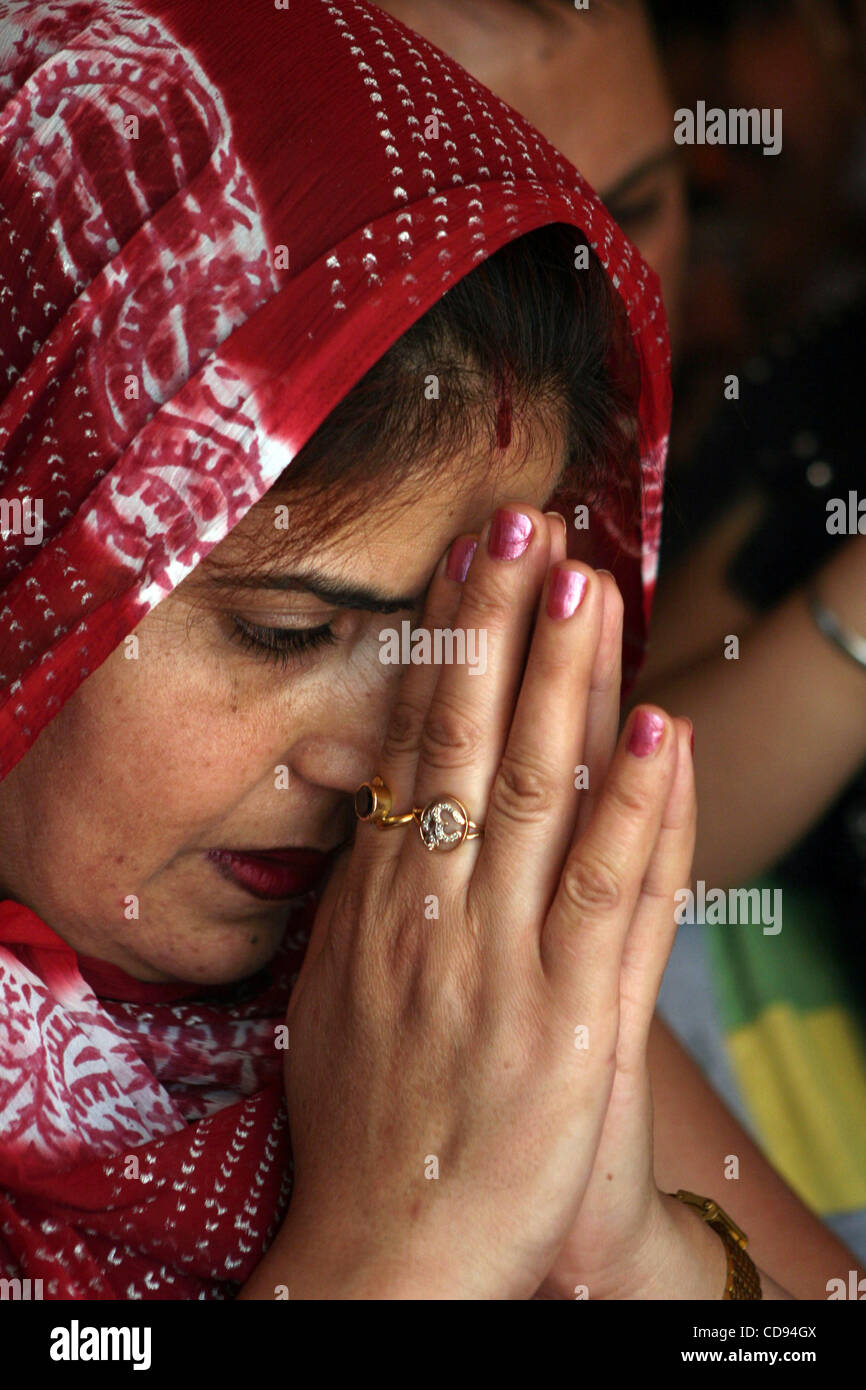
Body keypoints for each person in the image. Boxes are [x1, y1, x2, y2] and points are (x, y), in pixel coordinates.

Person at [0, 0, 858, 1300]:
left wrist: (639, 1250)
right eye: (284, 631)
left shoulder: (415, 955)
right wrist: (406, 1245)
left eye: (456, 640)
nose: (378, 761)